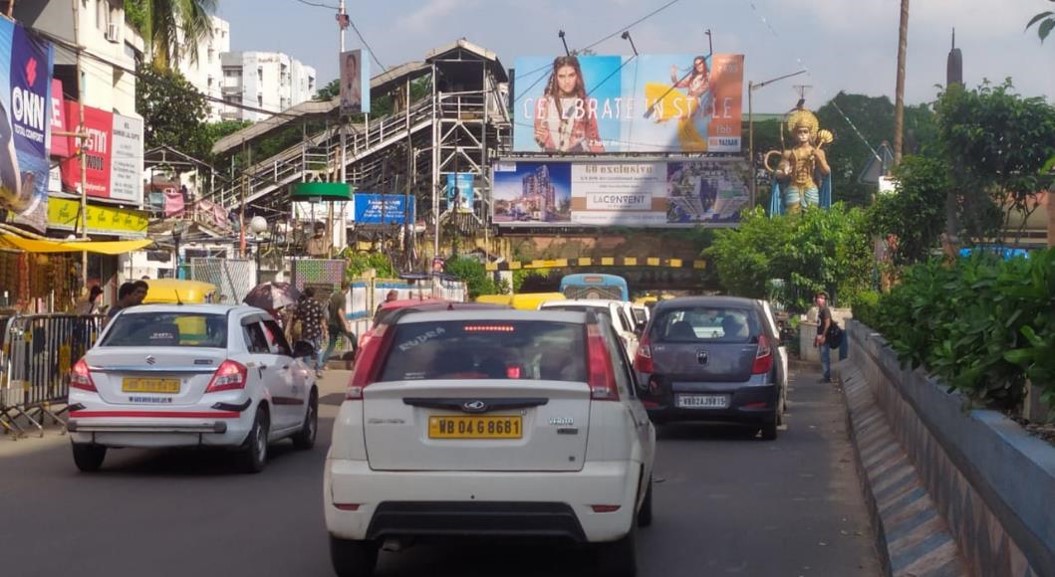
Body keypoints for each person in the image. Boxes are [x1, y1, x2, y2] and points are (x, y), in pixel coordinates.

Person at [532, 55, 604, 153]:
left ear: (577, 76)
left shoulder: (585, 103)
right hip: (550, 158)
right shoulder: (543, 103)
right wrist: (541, 140)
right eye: (561, 76)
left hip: (578, 158)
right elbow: (539, 136)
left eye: (571, 75)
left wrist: (602, 162)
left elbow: (593, 138)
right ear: (555, 77)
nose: (567, 81)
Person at [293, 287, 327, 377]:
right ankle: (318, 370)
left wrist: (291, 328)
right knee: (319, 350)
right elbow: (321, 318)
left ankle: (306, 370)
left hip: (306, 331)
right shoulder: (317, 304)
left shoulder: (302, 304)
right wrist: (325, 330)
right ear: (313, 294)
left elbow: (296, 317)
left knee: (306, 350)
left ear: (306, 294)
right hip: (316, 331)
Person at [324, 282, 357, 364]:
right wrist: (345, 323)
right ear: (347, 288)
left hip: (331, 323)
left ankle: (323, 362)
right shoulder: (342, 298)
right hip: (339, 324)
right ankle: (357, 357)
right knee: (352, 338)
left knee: (331, 344)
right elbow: (340, 311)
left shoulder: (333, 296)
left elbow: (328, 309)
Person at [814, 291, 832, 383]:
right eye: (818, 297)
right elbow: (819, 326)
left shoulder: (825, 310)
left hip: (824, 337)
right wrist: (816, 338)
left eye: (822, 298)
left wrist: (823, 336)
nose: (819, 299)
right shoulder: (819, 311)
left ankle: (827, 377)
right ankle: (825, 375)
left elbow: (827, 324)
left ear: (825, 300)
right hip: (820, 336)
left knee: (825, 357)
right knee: (823, 357)